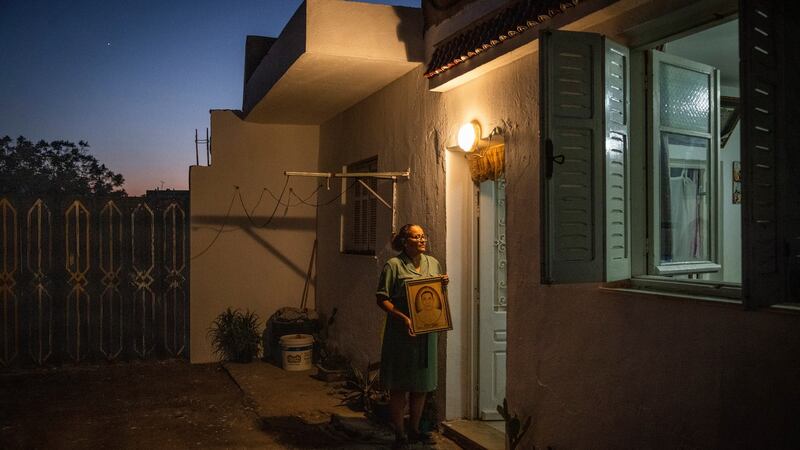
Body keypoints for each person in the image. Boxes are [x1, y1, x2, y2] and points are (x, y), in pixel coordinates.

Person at [376, 223, 448, 449]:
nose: (422, 240)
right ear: (405, 241)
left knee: (421, 385)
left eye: (423, 236)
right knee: (399, 385)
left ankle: (414, 429)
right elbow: (382, 299)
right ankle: (399, 432)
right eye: (416, 237)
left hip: (426, 334)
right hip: (401, 334)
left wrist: (443, 285)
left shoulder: (433, 263)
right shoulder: (394, 266)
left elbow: (435, 297)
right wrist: (403, 317)